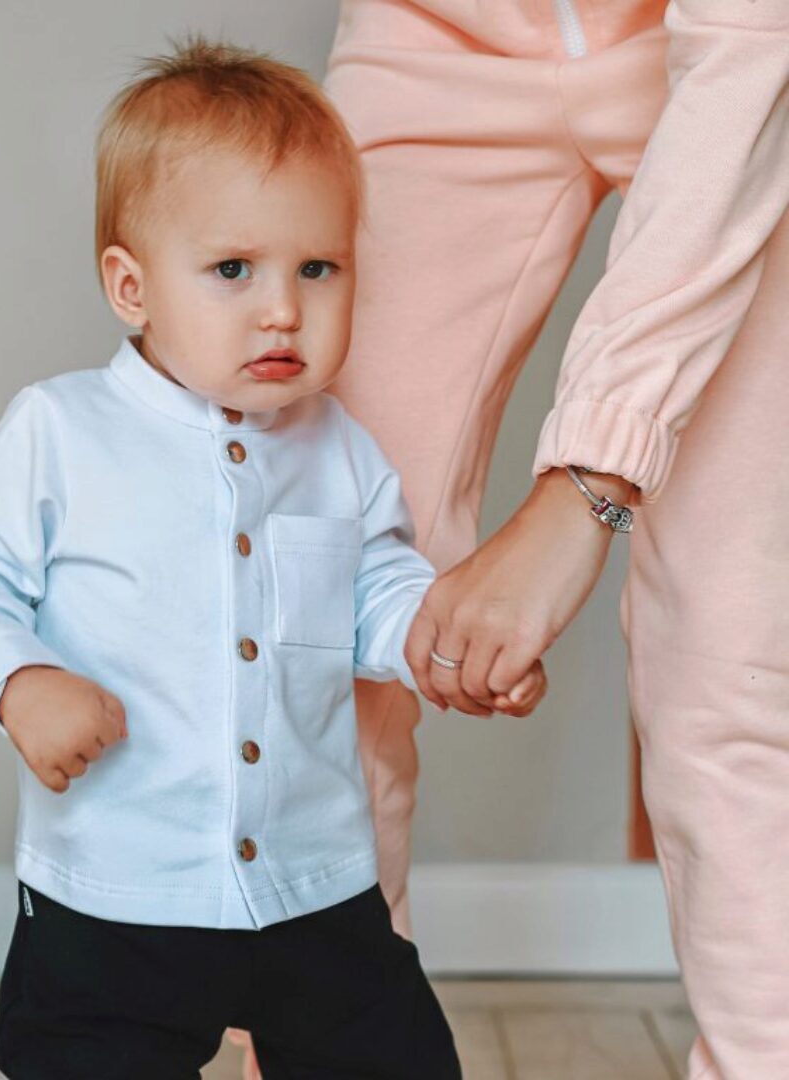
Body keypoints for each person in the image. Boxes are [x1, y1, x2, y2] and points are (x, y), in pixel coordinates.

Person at [0, 40, 547, 1078]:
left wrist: (446, 646)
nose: (283, 307)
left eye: (317, 268)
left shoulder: (340, 448)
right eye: (233, 270)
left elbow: (375, 589)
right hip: (115, 892)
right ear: (132, 285)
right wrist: (17, 680)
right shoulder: (61, 431)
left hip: (314, 882)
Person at [315, 2, 789, 1078]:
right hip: (429, 31)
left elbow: (750, 53)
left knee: (735, 651)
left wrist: (586, 487)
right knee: (316, 604)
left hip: (737, 46)